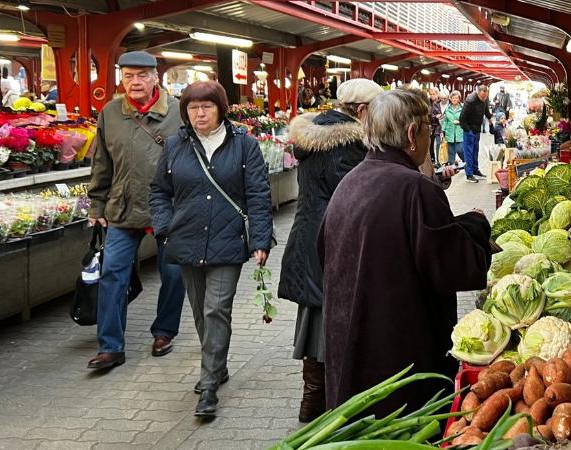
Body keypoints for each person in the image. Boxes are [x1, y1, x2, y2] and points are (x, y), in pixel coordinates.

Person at [318, 89, 493, 417]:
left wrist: (463, 224)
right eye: (430, 128)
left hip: (350, 346)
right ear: (413, 134)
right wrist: (478, 226)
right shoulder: (416, 189)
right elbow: (455, 267)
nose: (431, 135)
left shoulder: (350, 183)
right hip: (401, 356)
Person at [149, 81, 273, 417]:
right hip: (186, 240)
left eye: (207, 107)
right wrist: (163, 227)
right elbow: (159, 191)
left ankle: (207, 386)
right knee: (200, 311)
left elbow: (259, 195)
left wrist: (260, 239)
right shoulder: (175, 144)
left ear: (220, 108)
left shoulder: (244, 144)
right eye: (192, 108)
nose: (199, 113)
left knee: (216, 309)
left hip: (228, 240)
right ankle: (217, 366)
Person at [279, 78, 383, 423]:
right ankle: (324, 403)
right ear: (363, 111)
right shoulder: (348, 145)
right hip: (333, 240)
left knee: (314, 315)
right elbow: (353, 196)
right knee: (330, 318)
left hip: (309, 236)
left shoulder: (313, 135)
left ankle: (312, 400)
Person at [86, 51, 186, 370]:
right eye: (128, 76)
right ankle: (111, 346)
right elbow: (101, 162)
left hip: (168, 209)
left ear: (156, 77)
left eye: (142, 75)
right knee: (112, 273)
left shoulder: (177, 112)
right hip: (122, 207)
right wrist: (96, 203)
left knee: (173, 273)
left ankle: (164, 331)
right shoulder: (111, 113)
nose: (135, 82)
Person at [459, 85, 493, 183]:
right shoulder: (470, 101)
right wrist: (467, 130)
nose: (484, 99)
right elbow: (462, 118)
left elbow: (486, 110)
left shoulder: (485, 99)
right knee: (468, 153)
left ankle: (475, 170)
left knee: (475, 151)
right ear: (478, 93)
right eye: (482, 97)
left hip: (477, 129)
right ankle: (469, 174)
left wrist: (490, 119)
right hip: (469, 129)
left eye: (485, 97)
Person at [441, 90, 464, 166]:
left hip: (459, 132)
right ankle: (451, 166)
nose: (454, 99)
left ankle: (465, 161)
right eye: (453, 98)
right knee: (451, 151)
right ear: (450, 99)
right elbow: (445, 121)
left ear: (459, 99)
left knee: (459, 149)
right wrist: (442, 130)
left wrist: (460, 122)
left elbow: (467, 119)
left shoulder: (463, 108)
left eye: (456, 98)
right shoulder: (447, 109)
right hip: (449, 132)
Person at [428, 87, 442, 167]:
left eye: (433, 94)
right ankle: (432, 160)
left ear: (437, 94)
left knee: (438, 144)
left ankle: (439, 161)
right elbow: (427, 113)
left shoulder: (440, 102)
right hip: (431, 126)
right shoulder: (428, 102)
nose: (432, 96)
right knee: (430, 144)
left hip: (439, 126)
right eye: (431, 94)